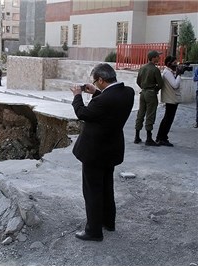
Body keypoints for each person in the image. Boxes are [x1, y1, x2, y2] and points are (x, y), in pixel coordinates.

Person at [70, 63, 135, 242]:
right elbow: (109, 106)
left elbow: (83, 113)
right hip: (111, 149)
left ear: (101, 79)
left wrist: (77, 96)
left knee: (92, 191)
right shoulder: (127, 93)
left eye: (96, 82)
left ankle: (93, 231)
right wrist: (96, 93)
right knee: (107, 187)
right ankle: (108, 222)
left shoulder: (102, 101)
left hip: (94, 151)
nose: (95, 84)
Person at [134, 50, 164, 146]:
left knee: (140, 113)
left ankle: (137, 136)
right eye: (157, 56)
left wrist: (144, 87)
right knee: (150, 114)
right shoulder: (155, 70)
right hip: (151, 93)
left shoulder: (142, 68)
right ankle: (148, 138)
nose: (159, 58)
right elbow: (160, 84)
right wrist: (155, 89)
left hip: (143, 92)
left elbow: (138, 81)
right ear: (153, 57)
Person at [155, 56, 182, 146]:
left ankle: (162, 137)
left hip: (172, 98)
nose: (176, 64)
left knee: (168, 119)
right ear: (169, 63)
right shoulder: (167, 72)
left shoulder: (169, 72)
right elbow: (175, 85)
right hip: (170, 99)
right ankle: (161, 137)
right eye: (174, 62)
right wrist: (179, 75)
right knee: (167, 119)